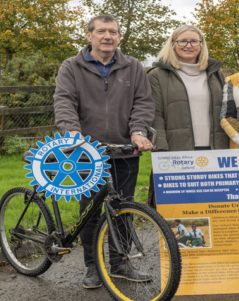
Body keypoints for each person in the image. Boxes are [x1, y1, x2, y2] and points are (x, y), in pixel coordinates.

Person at [54, 15, 154, 289]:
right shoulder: (71, 67)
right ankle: (93, 266)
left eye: (113, 32)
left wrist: (138, 132)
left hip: (124, 151)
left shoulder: (134, 67)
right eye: (101, 31)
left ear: (120, 37)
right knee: (91, 212)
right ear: (89, 36)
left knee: (122, 208)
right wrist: (71, 131)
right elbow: (64, 100)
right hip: (86, 153)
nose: (107, 36)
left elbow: (143, 103)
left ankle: (120, 263)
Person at [147, 24, 228, 207]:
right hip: (177, 152)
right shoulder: (157, 75)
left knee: (215, 206)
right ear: (173, 44)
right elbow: (155, 115)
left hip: (215, 150)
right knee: (181, 208)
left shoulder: (216, 73)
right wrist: (161, 151)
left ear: (202, 45)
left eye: (194, 41)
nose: (188, 45)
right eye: (182, 41)